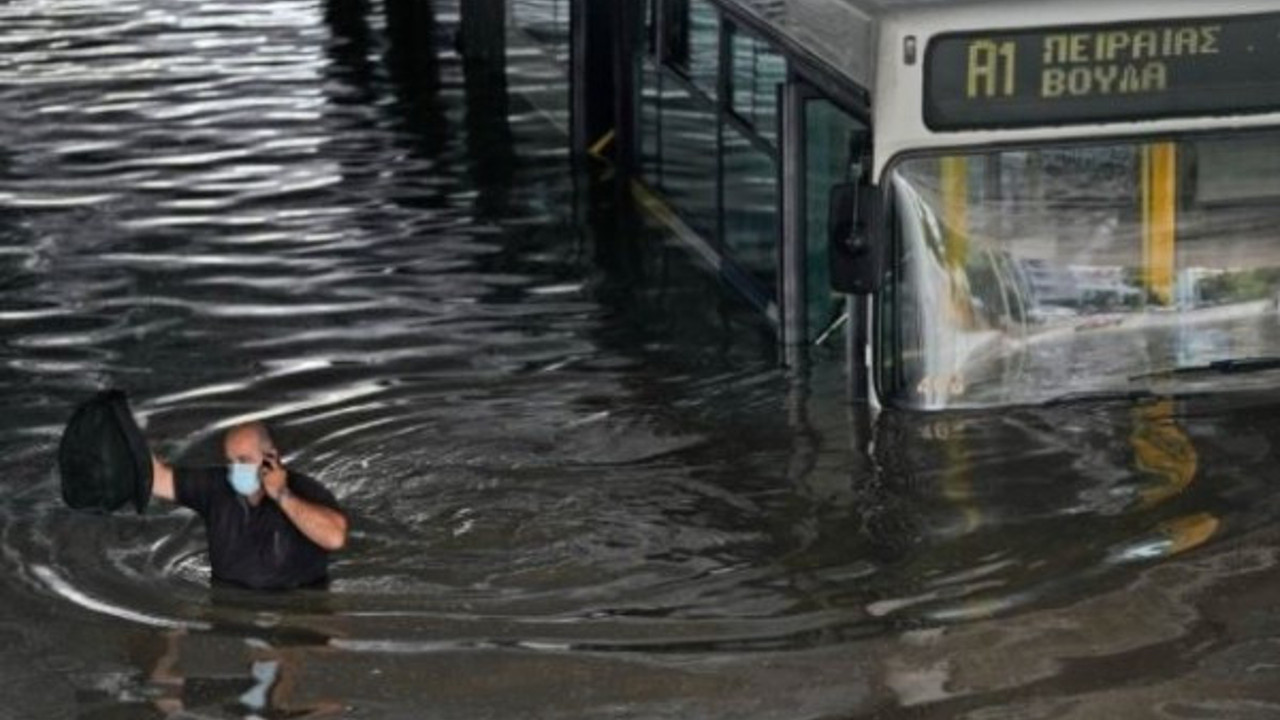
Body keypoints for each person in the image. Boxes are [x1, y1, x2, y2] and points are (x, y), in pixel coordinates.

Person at [150, 421, 348, 590]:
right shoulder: (216, 486)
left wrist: (282, 495)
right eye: (231, 461)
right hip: (226, 601)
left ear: (270, 457)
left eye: (244, 460)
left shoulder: (305, 490)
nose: (236, 469)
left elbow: (335, 538)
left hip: (295, 605)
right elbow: (156, 479)